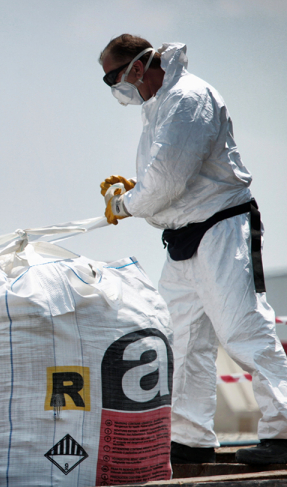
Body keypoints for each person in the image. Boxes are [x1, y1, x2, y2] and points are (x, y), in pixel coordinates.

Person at [98, 34, 287, 465]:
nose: (114, 88)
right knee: (181, 340)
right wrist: (137, 189)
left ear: (136, 68)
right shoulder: (159, 105)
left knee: (243, 331)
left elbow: (167, 180)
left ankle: (283, 429)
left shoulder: (188, 99)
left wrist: (126, 203)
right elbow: (167, 177)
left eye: (112, 78)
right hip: (184, 235)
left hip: (221, 229)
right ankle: (189, 437)